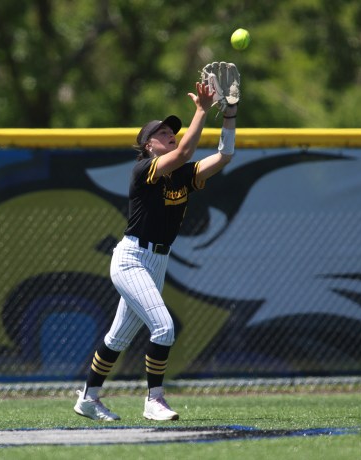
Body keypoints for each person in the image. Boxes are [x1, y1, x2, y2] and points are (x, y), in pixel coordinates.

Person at [74, 80, 237, 421]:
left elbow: (225, 155)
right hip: (132, 258)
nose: (170, 135)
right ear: (148, 145)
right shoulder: (143, 171)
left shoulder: (183, 176)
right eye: (162, 133)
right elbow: (186, 152)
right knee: (164, 327)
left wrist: (230, 115)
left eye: (171, 132)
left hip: (158, 261)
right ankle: (154, 400)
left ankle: (88, 398)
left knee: (117, 338)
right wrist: (201, 110)